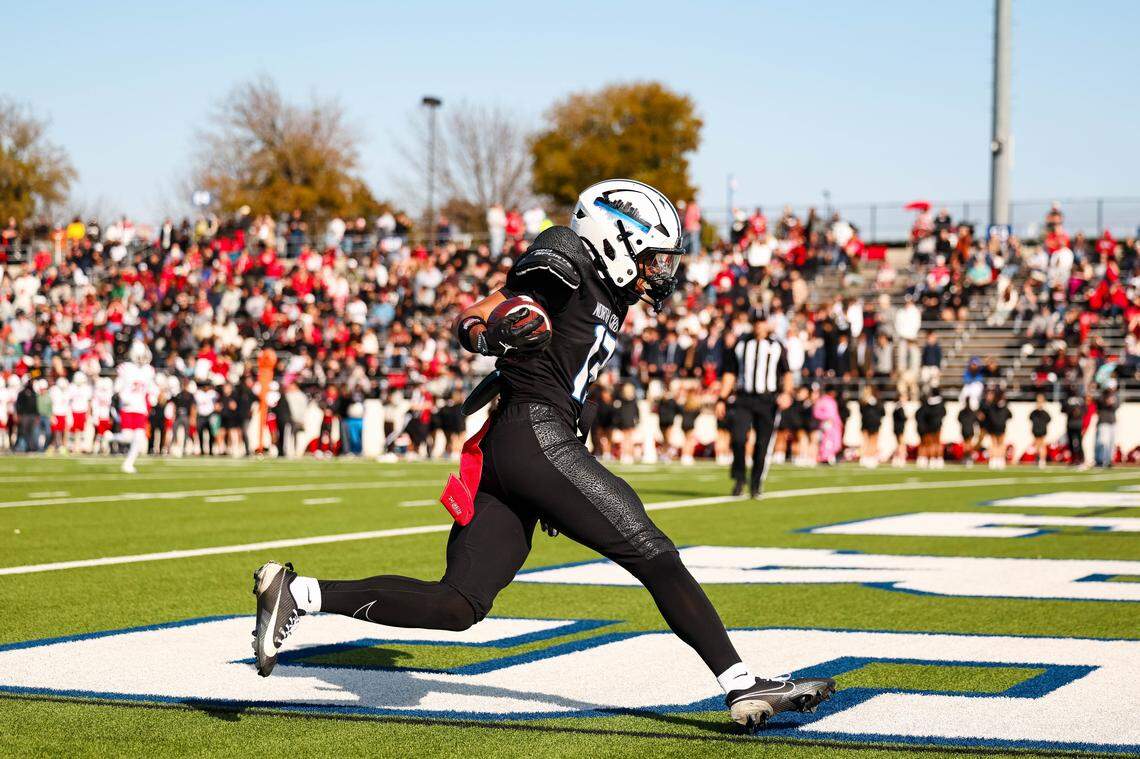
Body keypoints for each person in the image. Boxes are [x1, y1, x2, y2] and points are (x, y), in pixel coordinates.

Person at [250, 179, 835, 731]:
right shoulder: (567, 254)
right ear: (618, 236)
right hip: (534, 433)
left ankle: (298, 593)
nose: (662, 271)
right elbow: (485, 312)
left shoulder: (612, 291)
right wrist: (490, 333)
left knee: (460, 604)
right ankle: (741, 685)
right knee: (653, 552)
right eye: (654, 256)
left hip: (522, 446)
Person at [717, 313, 792, 497]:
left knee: (762, 443)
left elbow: (787, 373)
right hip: (744, 398)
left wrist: (787, 394)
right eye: (756, 323)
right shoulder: (742, 344)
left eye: (762, 322)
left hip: (767, 400)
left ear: (767, 324)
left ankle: (756, 483)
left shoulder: (776, 346)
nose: (759, 326)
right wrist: (722, 398)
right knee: (738, 438)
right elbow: (730, 373)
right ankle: (740, 478)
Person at [116, 341, 157, 473]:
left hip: (140, 408)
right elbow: (117, 387)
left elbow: (151, 388)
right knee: (127, 437)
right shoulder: (126, 368)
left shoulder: (148, 370)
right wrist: (122, 395)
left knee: (139, 437)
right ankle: (110, 437)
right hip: (127, 407)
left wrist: (153, 396)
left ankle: (128, 464)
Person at [979, 387, 1012, 470]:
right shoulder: (1000, 405)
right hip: (998, 426)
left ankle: (996, 460)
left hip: (995, 426)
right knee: (997, 444)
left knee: (996, 444)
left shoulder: (992, 405)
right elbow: (1009, 415)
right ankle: (997, 460)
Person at [1095, 383, 1119, 468]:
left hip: (1112, 422)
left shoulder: (1115, 396)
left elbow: (1116, 406)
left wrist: (1111, 402)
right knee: (1102, 442)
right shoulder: (1101, 396)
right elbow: (1100, 403)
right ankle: (1099, 460)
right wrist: (1107, 400)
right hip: (1103, 422)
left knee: (1111, 444)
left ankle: (1109, 460)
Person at [859, 386, 884, 467]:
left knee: (873, 441)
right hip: (866, 423)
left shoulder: (876, 401)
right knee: (866, 441)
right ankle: (866, 457)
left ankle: (872, 457)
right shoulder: (863, 402)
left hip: (874, 423)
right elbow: (862, 411)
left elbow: (882, 412)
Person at [1028, 394, 1051, 468]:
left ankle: (1042, 460)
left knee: (1042, 445)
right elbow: (1030, 418)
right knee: (1037, 445)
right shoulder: (1034, 412)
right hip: (1036, 430)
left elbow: (1048, 419)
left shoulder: (1044, 413)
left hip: (1042, 430)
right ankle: (1038, 459)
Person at [958, 397, 979, 467]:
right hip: (970, 429)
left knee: (965, 445)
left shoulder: (962, 412)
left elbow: (959, 419)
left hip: (964, 429)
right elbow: (975, 420)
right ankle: (968, 459)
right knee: (969, 444)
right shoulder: (972, 412)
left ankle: (966, 458)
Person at [891, 392, 909, 467]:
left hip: (897, 427)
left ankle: (896, 458)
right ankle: (901, 459)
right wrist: (908, 417)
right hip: (899, 428)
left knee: (898, 444)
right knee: (901, 444)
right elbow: (902, 417)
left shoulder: (897, 406)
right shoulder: (899, 407)